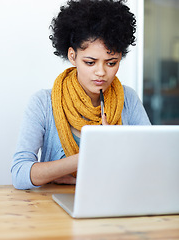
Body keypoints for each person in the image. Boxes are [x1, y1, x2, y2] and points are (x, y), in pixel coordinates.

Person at [11, 0, 151, 190]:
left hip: (112, 201)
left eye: (111, 63)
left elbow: (150, 160)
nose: (101, 72)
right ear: (72, 56)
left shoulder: (128, 99)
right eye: (90, 62)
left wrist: (118, 146)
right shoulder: (43, 103)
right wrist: (88, 155)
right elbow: (19, 174)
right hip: (52, 212)